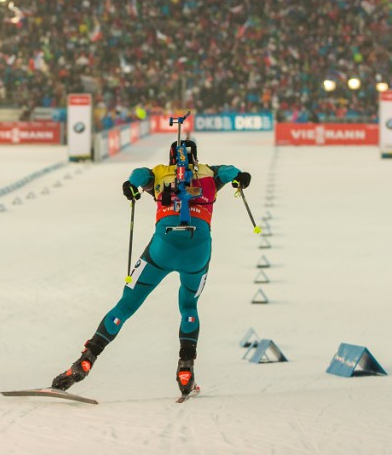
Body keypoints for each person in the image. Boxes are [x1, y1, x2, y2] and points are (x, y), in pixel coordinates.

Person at [50, 138, 250, 398]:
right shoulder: (211, 172)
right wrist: (239, 178)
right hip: (197, 250)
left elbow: (137, 175)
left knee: (125, 305)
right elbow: (231, 172)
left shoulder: (157, 174)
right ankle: (185, 368)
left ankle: (85, 361)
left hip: (162, 247)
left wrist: (131, 186)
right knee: (189, 307)